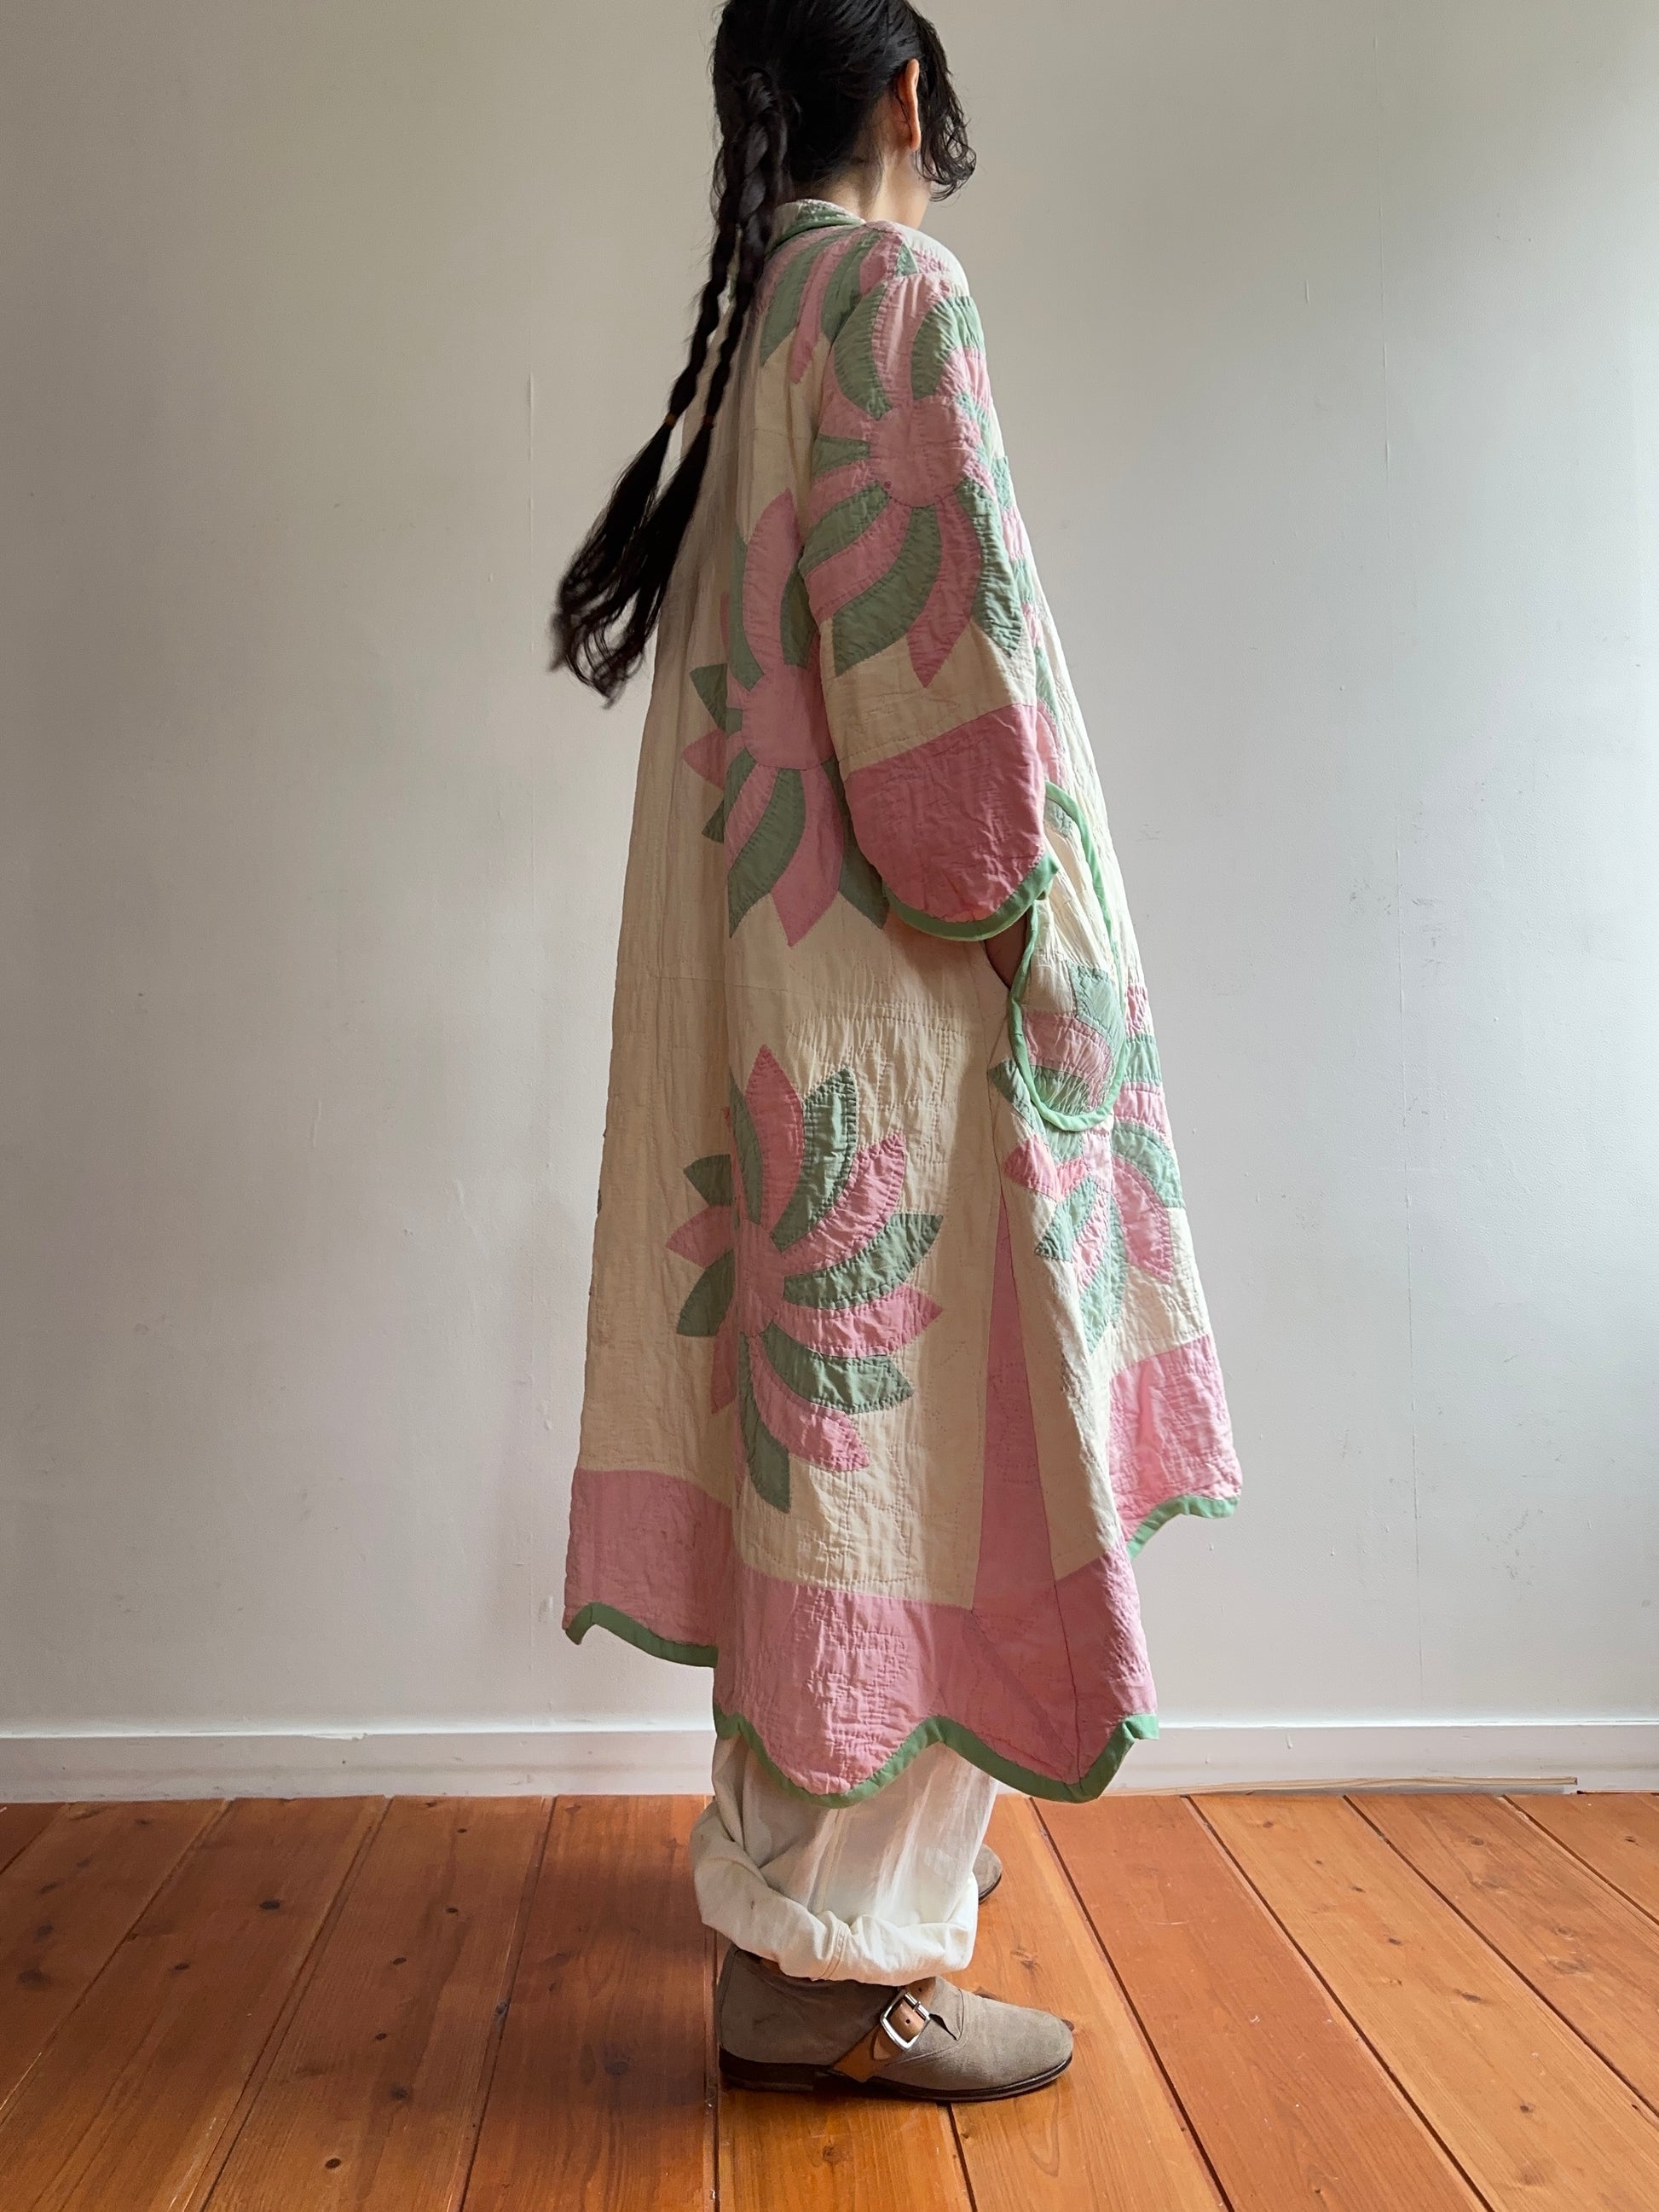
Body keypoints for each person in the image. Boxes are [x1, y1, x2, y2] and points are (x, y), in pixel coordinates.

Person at [554, 0, 1241, 2101]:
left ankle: (802, 1899)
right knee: (934, 1464)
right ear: (911, 98)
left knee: (831, 1471)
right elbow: (948, 681)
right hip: (906, 1006)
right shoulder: (891, 292)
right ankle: (838, 1970)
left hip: (792, 995)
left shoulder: (769, 321)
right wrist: (1036, 932)